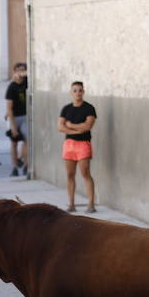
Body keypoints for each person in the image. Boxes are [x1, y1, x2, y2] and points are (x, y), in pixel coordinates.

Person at [58, 81, 97, 213]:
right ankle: (71, 204)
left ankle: (91, 204)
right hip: (69, 145)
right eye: (75, 90)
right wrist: (76, 130)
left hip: (83, 144)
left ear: (83, 92)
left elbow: (87, 126)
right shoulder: (66, 109)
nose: (77, 93)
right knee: (70, 175)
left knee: (85, 173)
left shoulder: (89, 108)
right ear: (71, 93)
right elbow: (60, 126)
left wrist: (70, 125)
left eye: (80, 90)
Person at [4, 62, 29, 177]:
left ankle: (25, 165)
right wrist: (13, 126)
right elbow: (9, 108)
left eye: (23, 70)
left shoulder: (28, 82)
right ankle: (14, 167)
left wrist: (24, 74)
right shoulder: (12, 87)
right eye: (18, 70)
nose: (20, 72)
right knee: (14, 143)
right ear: (14, 72)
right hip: (14, 117)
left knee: (26, 141)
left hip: (26, 116)